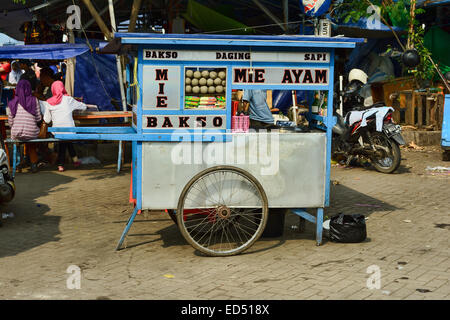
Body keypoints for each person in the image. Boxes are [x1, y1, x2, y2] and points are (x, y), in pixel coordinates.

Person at [43, 81, 86, 172]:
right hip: (70, 131)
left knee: (63, 140)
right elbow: (83, 107)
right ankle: (68, 162)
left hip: (56, 131)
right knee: (66, 139)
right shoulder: (68, 99)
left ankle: (64, 163)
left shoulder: (49, 102)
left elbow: (47, 120)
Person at [7, 79, 42, 173]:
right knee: (31, 143)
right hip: (31, 133)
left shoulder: (12, 103)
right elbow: (38, 118)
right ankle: (33, 165)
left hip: (16, 133)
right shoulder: (34, 100)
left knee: (18, 140)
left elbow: (10, 122)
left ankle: (18, 164)